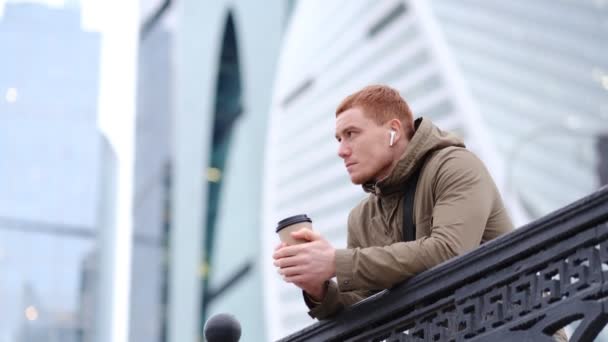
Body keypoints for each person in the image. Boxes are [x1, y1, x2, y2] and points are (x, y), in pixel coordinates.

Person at [272, 85, 566, 341]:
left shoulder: (455, 165)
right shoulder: (361, 218)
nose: (341, 150)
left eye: (351, 134)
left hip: (521, 330)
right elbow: (361, 309)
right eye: (338, 139)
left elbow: (450, 251)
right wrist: (317, 287)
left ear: (393, 131)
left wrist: (335, 262)